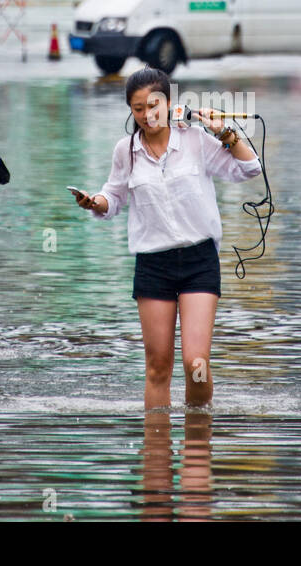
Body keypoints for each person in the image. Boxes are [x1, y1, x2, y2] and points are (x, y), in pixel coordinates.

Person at [72, 68, 263, 410]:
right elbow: (112, 198)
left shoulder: (195, 139)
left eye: (154, 105)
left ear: (171, 103)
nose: (147, 115)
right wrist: (95, 202)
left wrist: (225, 134)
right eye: (138, 108)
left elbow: (250, 170)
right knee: (158, 367)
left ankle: (198, 439)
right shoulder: (126, 150)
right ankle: (156, 453)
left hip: (199, 261)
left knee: (197, 364)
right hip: (153, 265)